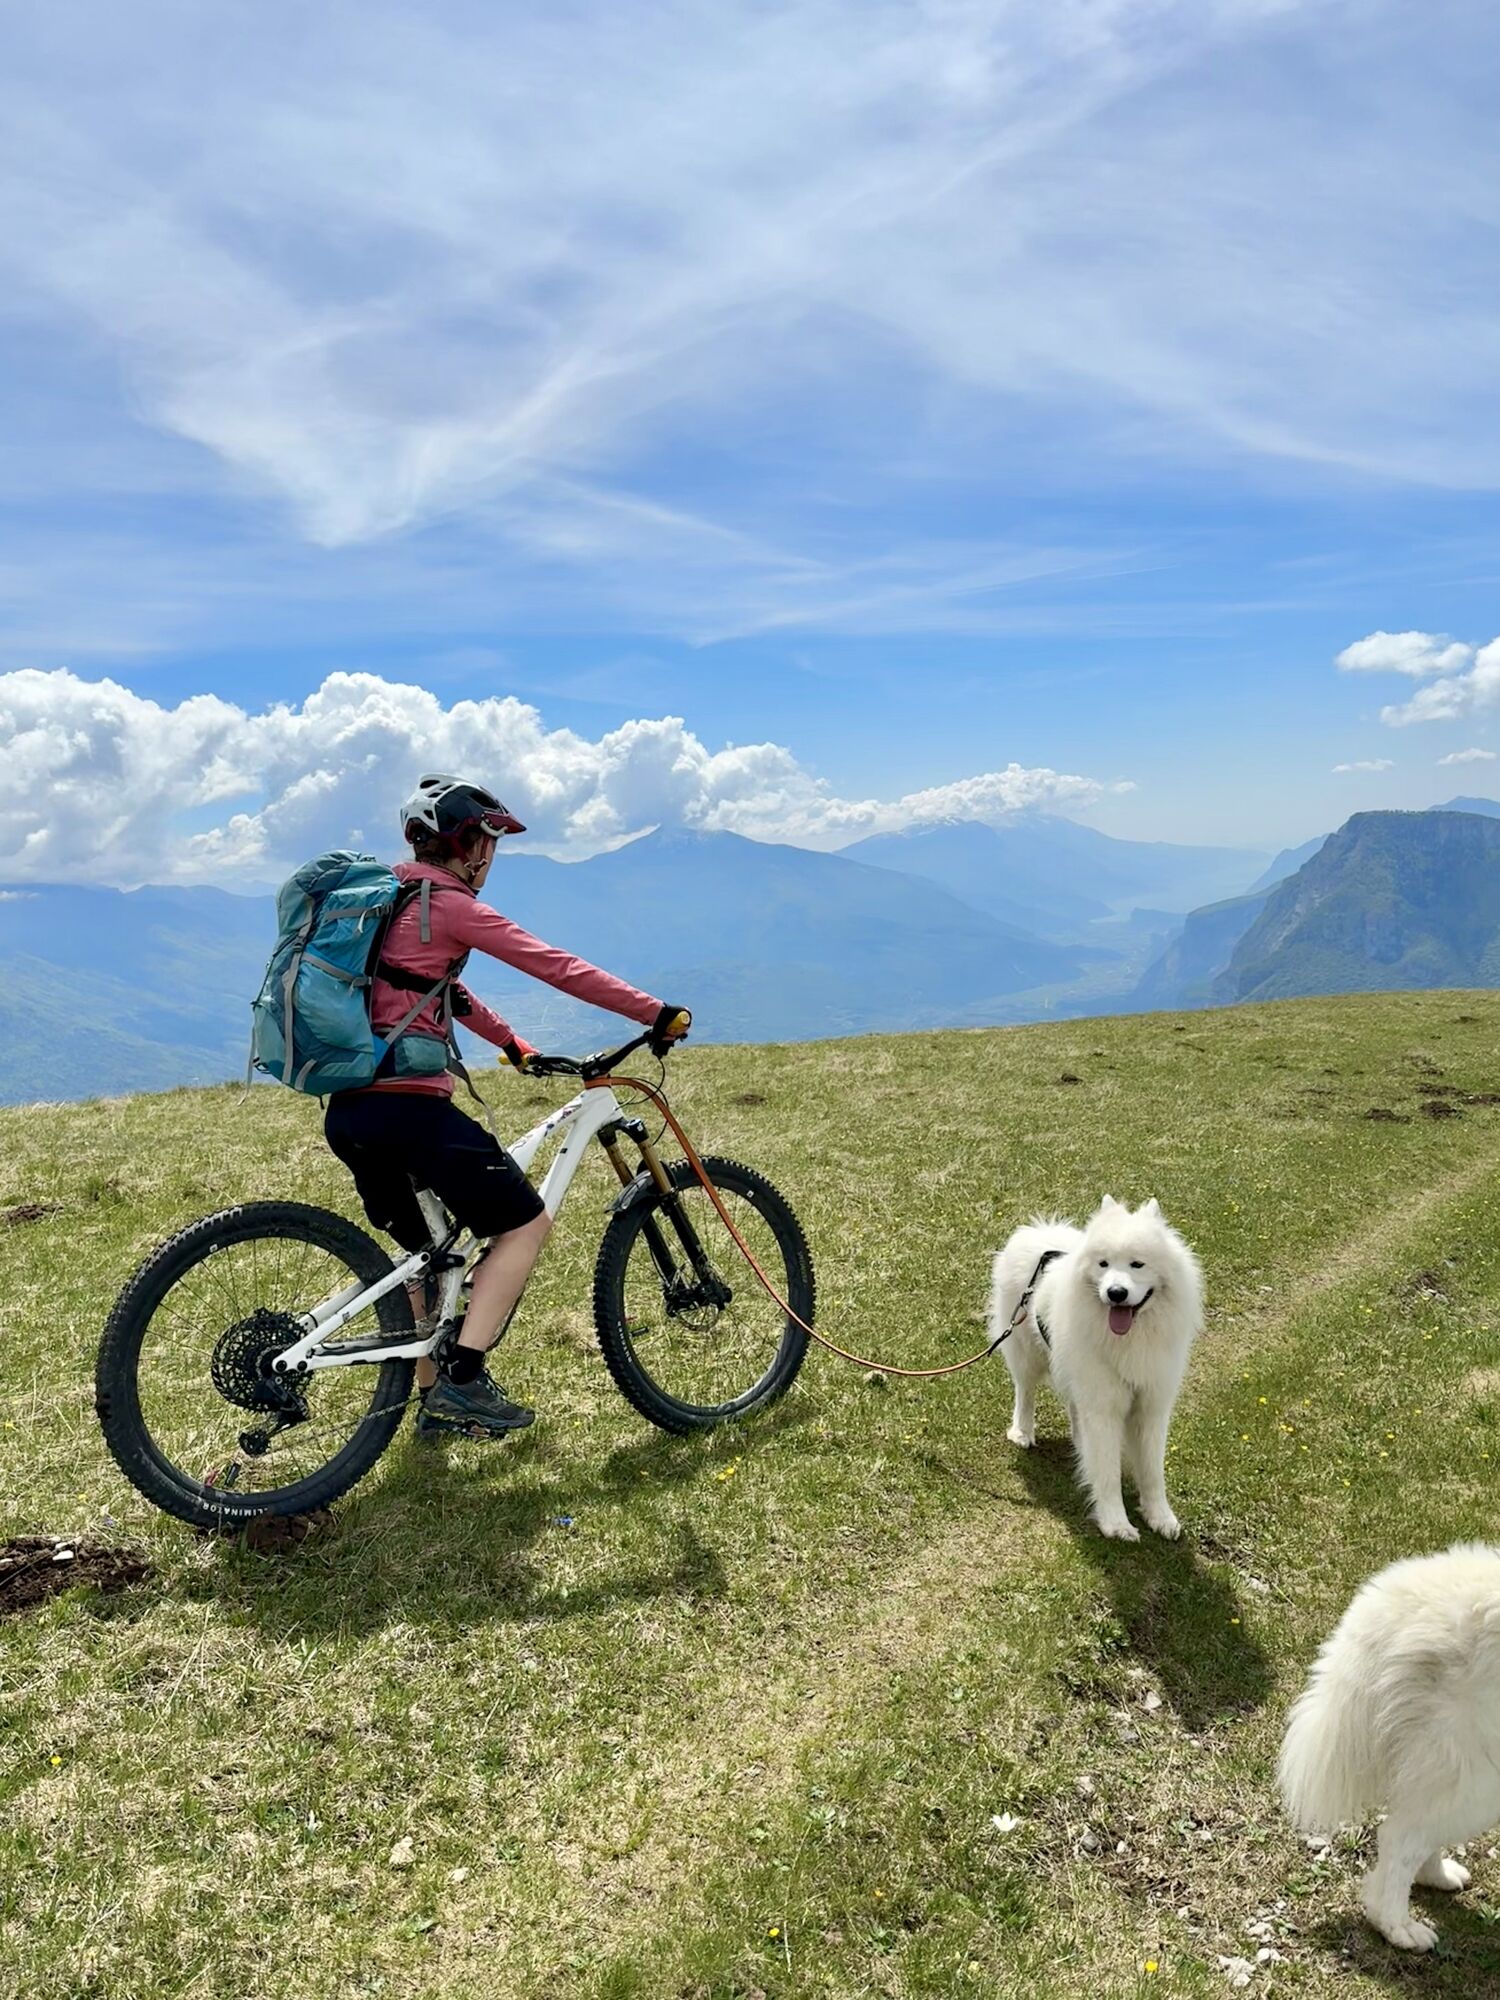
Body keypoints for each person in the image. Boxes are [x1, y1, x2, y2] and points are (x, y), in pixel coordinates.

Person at [323, 773, 690, 1440]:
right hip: (408, 1112)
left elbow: (439, 991)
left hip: (350, 1114)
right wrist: (655, 1012)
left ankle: (431, 1406)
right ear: (468, 843)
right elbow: (554, 965)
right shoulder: (449, 905)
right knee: (524, 1224)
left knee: (429, 1257)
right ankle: (462, 1381)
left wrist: (513, 1045)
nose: (492, 855)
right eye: (489, 841)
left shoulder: (390, 902)